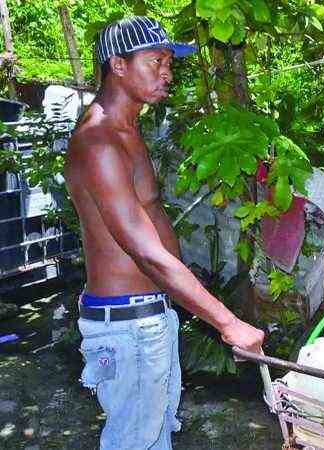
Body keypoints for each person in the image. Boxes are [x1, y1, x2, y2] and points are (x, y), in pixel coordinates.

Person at [64, 16, 265, 449]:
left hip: (149, 316)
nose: (167, 72)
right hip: (126, 324)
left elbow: (156, 229)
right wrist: (227, 322)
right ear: (117, 64)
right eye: (155, 61)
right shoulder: (98, 143)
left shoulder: (128, 133)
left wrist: (188, 296)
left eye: (169, 62)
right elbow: (143, 251)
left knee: (154, 438)